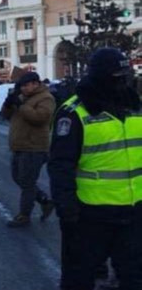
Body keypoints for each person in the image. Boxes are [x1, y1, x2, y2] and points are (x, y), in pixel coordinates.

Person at [49, 47, 142, 290]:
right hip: (90, 215)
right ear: (101, 76)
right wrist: (67, 210)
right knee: (79, 278)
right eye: (117, 76)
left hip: (134, 212)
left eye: (126, 75)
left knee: (134, 276)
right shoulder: (74, 112)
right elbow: (61, 165)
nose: (123, 81)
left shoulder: (135, 106)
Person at [0, 71, 55, 227]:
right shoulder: (23, 97)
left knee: (27, 182)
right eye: (21, 86)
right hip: (19, 145)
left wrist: (21, 106)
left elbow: (40, 118)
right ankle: (45, 201)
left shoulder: (46, 98)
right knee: (19, 178)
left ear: (35, 84)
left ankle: (24, 215)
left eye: (26, 85)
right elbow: (6, 116)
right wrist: (8, 104)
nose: (23, 88)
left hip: (34, 147)